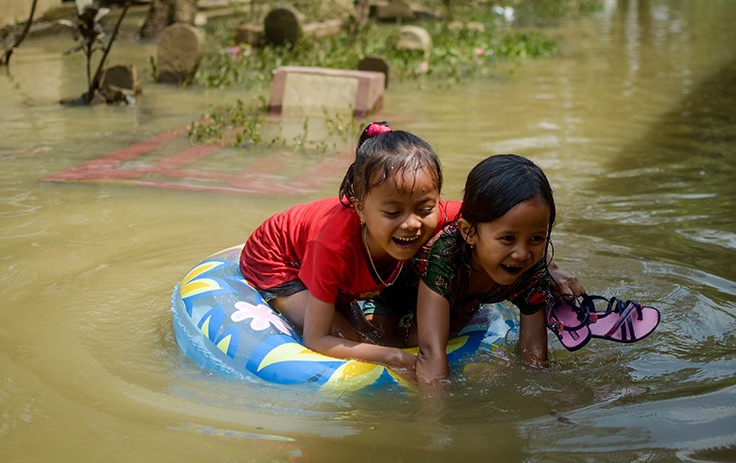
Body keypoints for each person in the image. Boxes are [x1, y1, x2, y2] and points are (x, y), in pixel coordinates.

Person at [239, 122, 460, 379]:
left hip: (320, 257)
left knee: (369, 334)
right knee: (351, 338)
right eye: (392, 212)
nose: (412, 223)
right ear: (360, 209)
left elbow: (487, 215)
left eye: (424, 210)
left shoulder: (431, 213)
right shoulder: (332, 245)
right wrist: (394, 356)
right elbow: (317, 339)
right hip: (279, 261)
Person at [409, 154, 585, 388]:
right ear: (469, 232)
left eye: (536, 238)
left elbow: (535, 360)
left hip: (464, 301)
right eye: (508, 238)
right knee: (408, 339)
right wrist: (434, 418)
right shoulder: (445, 256)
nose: (522, 253)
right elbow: (430, 353)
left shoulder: (532, 270)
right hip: (403, 295)